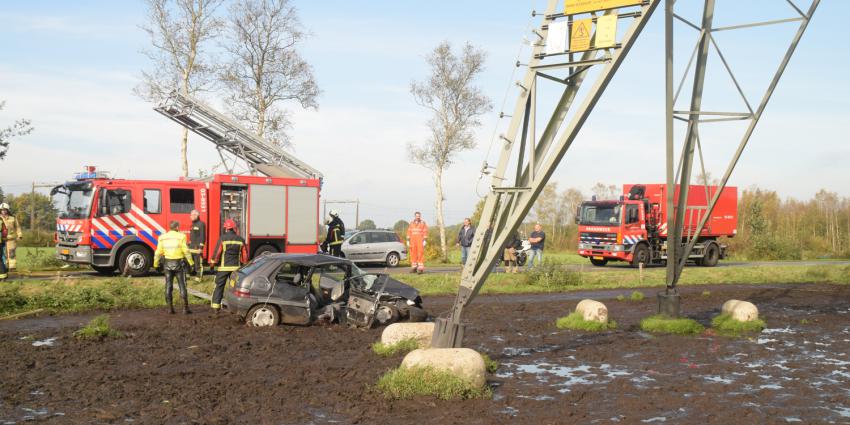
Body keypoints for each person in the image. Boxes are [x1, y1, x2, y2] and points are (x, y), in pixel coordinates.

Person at [153, 221, 195, 314]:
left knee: (168, 285)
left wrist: (155, 264)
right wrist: (191, 263)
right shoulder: (182, 236)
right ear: (177, 227)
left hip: (167, 264)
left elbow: (157, 253)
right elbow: (186, 251)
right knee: (182, 285)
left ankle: (170, 309)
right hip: (179, 264)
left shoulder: (162, 237)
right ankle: (185, 309)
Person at [210, 219, 247, 313]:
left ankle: (216, 308)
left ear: (226, 229)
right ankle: (235, 308)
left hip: (223, 268)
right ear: (234, 228)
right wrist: (244, 264)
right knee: (235, 288)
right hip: (236, 269)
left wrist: (212, 264)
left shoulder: (223, 238)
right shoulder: (240, 239)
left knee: (219, 287)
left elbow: (217, 253)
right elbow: (245, 255)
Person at [0, 203, 23, 271]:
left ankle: (12, 268)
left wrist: (20, 235)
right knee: (3, 254)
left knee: (11, 253)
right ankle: (4, 267)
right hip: (1, 240)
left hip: (11, 239)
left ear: (7, 210)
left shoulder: (13, 218)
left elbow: (18, 227)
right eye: (2, 210)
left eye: (5, 210)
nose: (3, 211)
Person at [188, 209, 206, 281]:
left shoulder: (201, 224)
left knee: (198, 263)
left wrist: (201, 248)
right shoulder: (193, 224)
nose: (190, 217)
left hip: (197, 248)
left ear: (196, 215)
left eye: (191, 215)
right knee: (190, 262)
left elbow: (202, 236)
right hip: (191, 247)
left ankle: (199, 278)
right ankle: (188, 276)